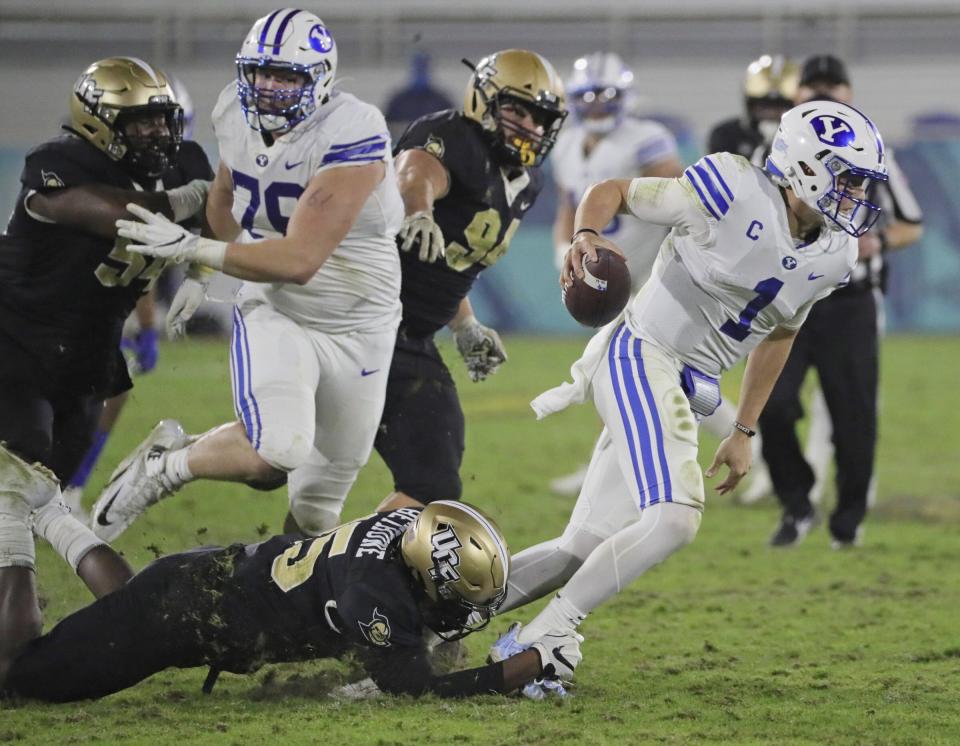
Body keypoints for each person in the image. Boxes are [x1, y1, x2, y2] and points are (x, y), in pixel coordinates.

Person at [487, 100, 889, 688]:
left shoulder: (836, 253)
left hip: (685, 381)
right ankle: (544, 636)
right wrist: (587, 234)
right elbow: (614, 190)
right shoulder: (731, 186)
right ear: (806, 165)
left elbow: (781, 332)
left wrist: (743, 429)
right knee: (674, 518)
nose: (856, 193)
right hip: (641, 352)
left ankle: (440, 613)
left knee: (585, 545)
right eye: (848, 176)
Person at [90, 9, 406, 541]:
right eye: (258, 73)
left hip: (363, 326)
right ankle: (163, 468)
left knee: (316, 510)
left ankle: (278, 607)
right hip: (278, 309)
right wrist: (201, 265)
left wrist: (200, 249)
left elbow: (303, 259)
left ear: (321, 79)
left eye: (284, 77)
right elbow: (226, 194)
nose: (266, 88)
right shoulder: (234, 114)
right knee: (278, 449)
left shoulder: (353, 129)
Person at [0, 447, 579, 701]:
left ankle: (49, 508)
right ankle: (12, 519)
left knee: (127, 608)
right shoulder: (371, 597)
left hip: (204, 579)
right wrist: (524, 668)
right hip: (187, 614)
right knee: (21, 677)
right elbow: (412, 688)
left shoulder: (405, 524)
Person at [0, 56, 211, 611]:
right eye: (141, 122)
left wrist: (203, 267)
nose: (158, 133)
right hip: (17, 343)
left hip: (89, 352)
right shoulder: (57, 164)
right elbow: (123, 217)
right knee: (25, 494)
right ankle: (130, 614)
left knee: (45, 498)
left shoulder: (182, 162)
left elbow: (224, 214)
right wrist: (195, 199)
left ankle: (129, 617)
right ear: (97, 123)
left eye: (163, 120)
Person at [547, 52, 769, 499]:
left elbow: (678, 198)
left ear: (624, 98)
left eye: (606, 96)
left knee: (666, 377)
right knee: (614, 374)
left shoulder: (647, 138)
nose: (596, 106)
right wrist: (565, 248)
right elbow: (570, 203)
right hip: (607, 279)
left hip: (651, 275)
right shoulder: (568, 144)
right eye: (587, 97)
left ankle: (750, 448)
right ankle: (609, 466)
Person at [372, 49, 567, 513]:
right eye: (516, 110)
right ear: (484, 102)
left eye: (539, 116)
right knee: (283, 461)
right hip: (364, 325)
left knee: (433, 484)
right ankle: (178, 462)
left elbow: (452, 262)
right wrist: (418, 210)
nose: (529, 126)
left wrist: (465, 325)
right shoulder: (451, 136)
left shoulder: (528, 182)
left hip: (412, 339)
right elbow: (416, 172)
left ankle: (343, 565)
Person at [762, 54, 924, 547]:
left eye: (833, 83)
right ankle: (796, 503)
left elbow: (909, 225)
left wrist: (877, 242)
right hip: (788, 297)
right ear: (795, 94)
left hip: (849, 300)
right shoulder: (781, 150)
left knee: (853, 416)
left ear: (849, 92)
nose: (824, 92)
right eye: (813, 85)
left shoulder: (874, 154)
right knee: (774, 404)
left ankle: (847, 521)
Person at [62, 78, 214, 517]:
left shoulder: (178, 173)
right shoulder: (83, 171)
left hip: (100, 295)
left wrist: (195, 275)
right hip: (50, 297)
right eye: (146, 127)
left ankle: (69, 487)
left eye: (169, 127)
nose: (159, 138)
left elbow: (136, 260)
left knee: (110, 387)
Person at [702, 54, 800, 505]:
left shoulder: (805, 142)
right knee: (696, 372)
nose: (770, 112)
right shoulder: (727, 138)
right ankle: (750, 450)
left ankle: (773, 464)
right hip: (732, 271)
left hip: (788, 278)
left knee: (791, 388)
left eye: (779, 103)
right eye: (763, 103)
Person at [707, 54, 800, 164]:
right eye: (764, 106)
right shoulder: (726, 135)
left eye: (779, 107)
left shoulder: (803, 138)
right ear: (751, 105)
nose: (771, 113)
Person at [383, 51, 455, 142]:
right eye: (418, 66)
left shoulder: (442, 102)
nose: (420, 69)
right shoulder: (398, 102)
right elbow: (387, 129)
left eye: (423, 65)